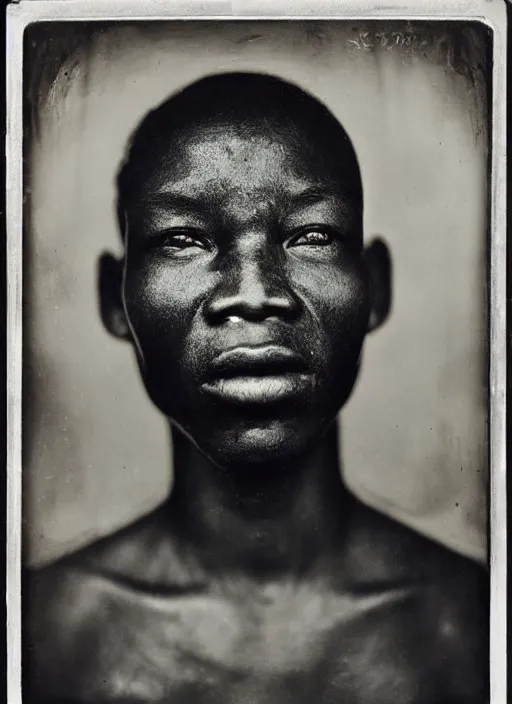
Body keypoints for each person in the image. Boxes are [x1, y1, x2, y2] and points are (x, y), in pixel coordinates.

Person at [24, 72, 488, 704]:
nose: (253, 293)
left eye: (312, 236)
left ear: (374, 285)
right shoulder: (40, 638)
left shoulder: (474, 630)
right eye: (183, 239)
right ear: (115, 298)